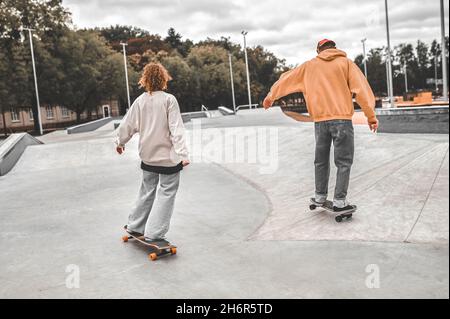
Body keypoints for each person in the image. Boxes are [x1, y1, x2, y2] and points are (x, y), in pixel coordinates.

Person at [263, 39, 378, 212]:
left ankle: (320, 196)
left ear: (319, 50)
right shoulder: (346, 64)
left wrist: (271, 96)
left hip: (320, 123)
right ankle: (340, 201)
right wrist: (371, 116)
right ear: (334, 48)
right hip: (342, 121)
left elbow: (287, 79)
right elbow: (362, 90)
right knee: (344, 162)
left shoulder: (309, 66)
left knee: (321, 161)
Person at [116, 62, 189, 243]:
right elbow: (176, 129)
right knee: (167, 192)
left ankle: (135, 225)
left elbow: (128, 124)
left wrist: (120, 142)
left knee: (147, 190)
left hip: (147, 156)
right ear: (164, 79)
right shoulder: (168, 99)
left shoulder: (140, 101)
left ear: (145, 80)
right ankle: (155, 233)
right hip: (168, 158)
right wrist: (183, 154)